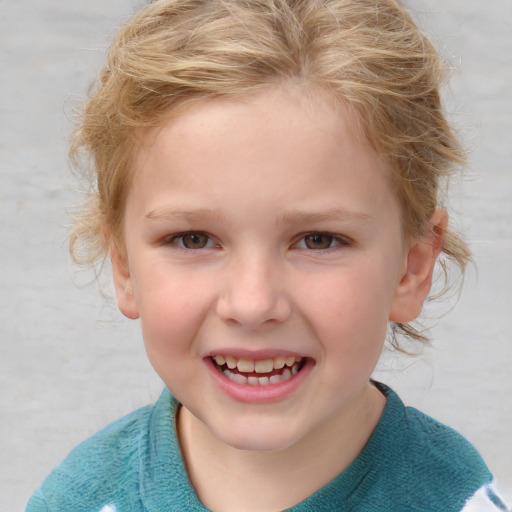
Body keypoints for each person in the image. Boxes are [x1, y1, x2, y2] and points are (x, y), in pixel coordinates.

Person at [26, 0, 509, 511]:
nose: (253, 303)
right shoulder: (78, 499)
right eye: (193, 239)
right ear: (123, 265)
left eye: (318, 240)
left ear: (412, 268)